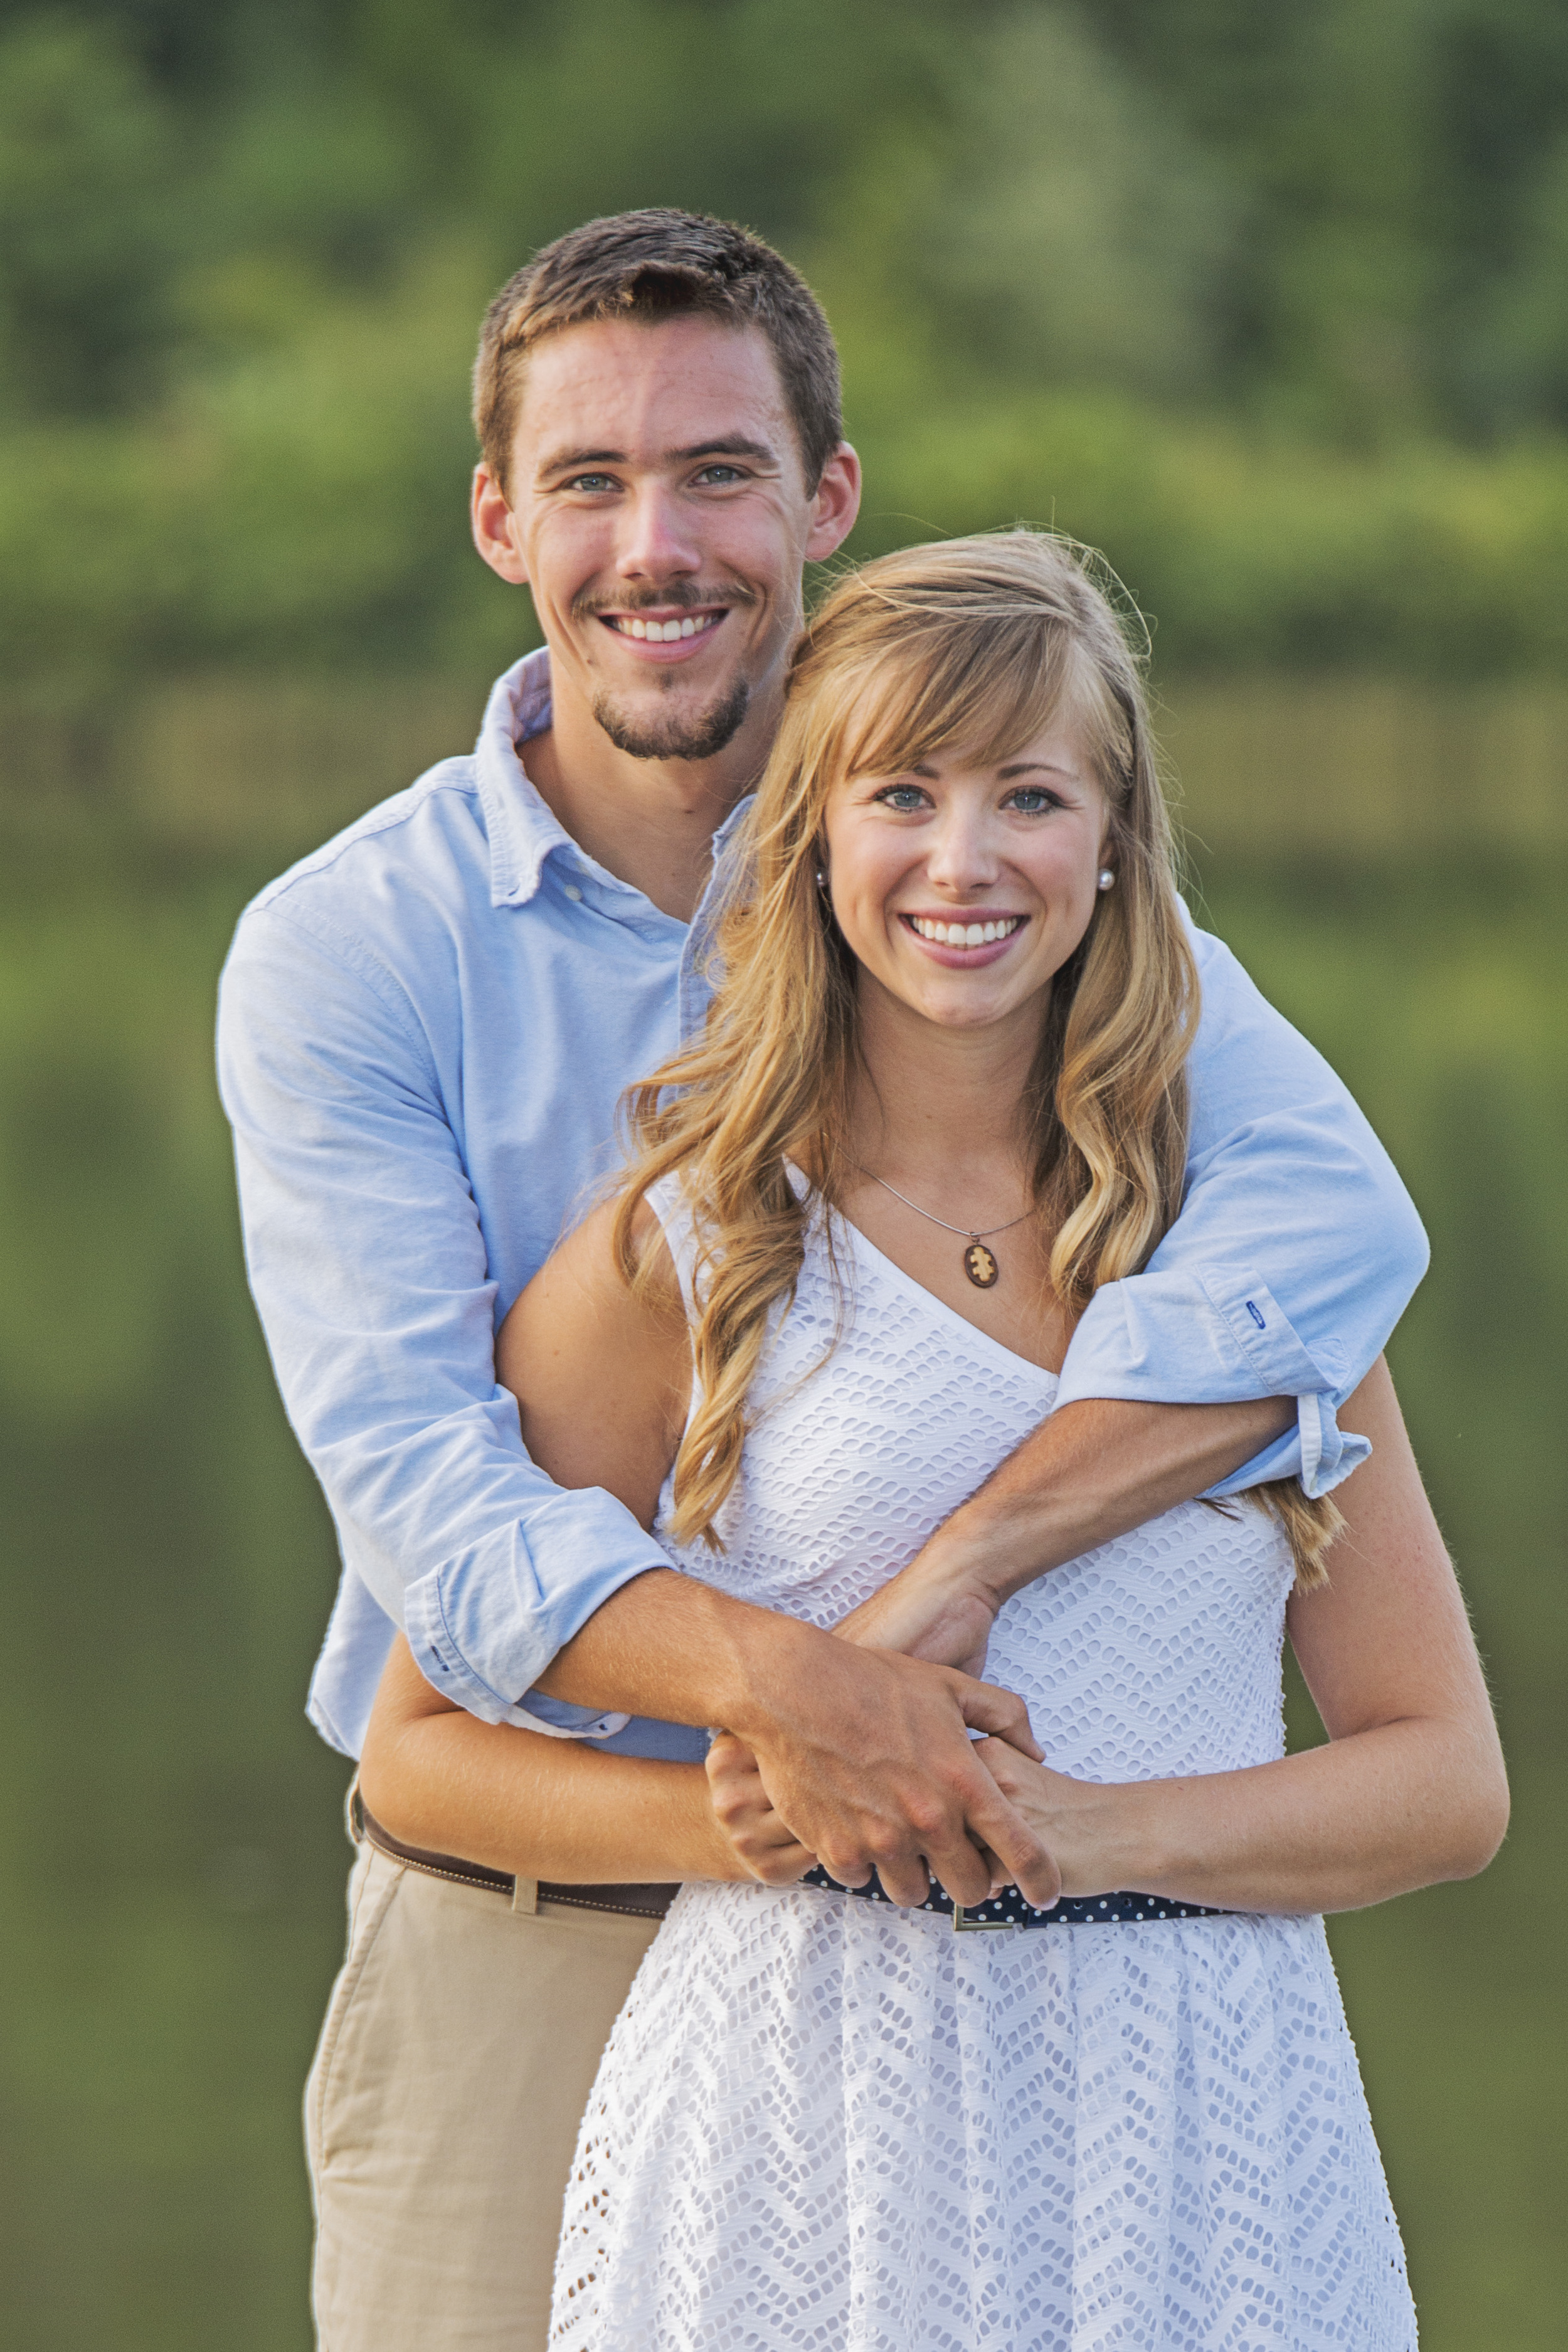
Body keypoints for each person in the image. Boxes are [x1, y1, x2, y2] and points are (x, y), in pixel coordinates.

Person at [216, 215, 1428, 2349]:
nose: (654, 543)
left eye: (718, 472)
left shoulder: (968, 860)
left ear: (823, 505)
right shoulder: (351, 954)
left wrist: (955, 1596)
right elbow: (434, 1512)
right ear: (500, 517)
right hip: (529, 1898)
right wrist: (808, 1723)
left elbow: (1328, 1227)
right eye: (587, 480)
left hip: (1023, 1976)